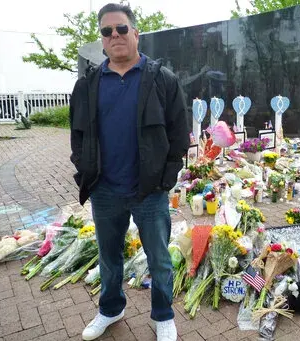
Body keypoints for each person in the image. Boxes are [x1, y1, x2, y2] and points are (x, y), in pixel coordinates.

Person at [69, 3, 189, 341]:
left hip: (149, 190)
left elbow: (180, 134)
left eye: (121, 29)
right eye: (107, 32)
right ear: (102, 40)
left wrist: (166, 179)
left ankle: (163, 315)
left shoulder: (161, 80)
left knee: (159, 260)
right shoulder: (88, 85)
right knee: (108, 259)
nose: (115, 36)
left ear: (136, 33)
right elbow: (77, 134)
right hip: (105, 190)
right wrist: (84, 167)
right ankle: (110, 309)